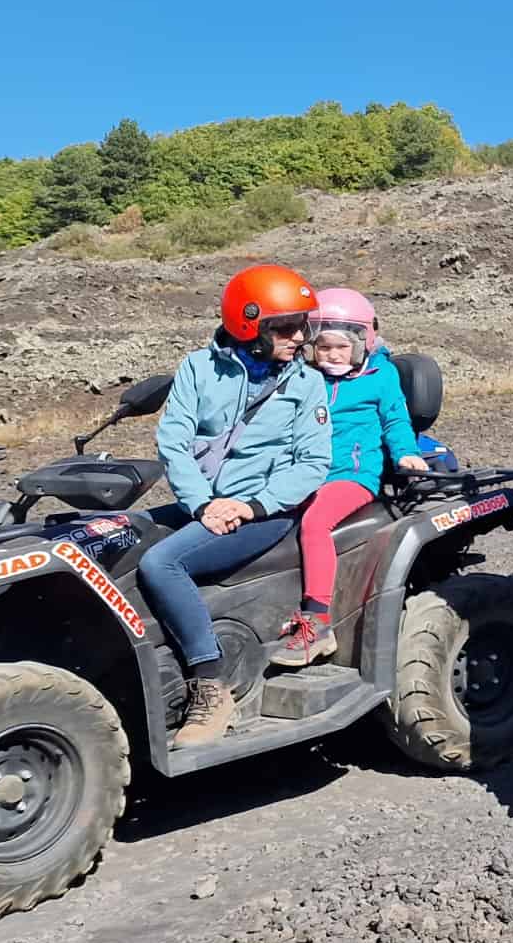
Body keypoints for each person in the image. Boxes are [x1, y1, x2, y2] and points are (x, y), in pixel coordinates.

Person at [145, 264, 331, 747]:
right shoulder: (197, 368)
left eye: (301, 326)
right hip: (202, 504)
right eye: (285, 328)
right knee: (119, 536)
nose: (299, 337)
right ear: (249, 327)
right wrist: (204, 503)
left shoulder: (304, 382)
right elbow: (173, 442)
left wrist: (249, 506)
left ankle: (212, 688)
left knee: (161, 564)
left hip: (267, 512)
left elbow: (312, 464)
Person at [274, 287, 429, 667]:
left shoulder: (380, 376)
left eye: (341, 347)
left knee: (314, 525)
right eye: (323, 346)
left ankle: (319, 622)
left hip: (353, 475)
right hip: (305, 473)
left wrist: (407, 453)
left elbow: (395, 417)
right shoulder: (307, 378)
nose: (332, 355)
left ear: (363, 343)